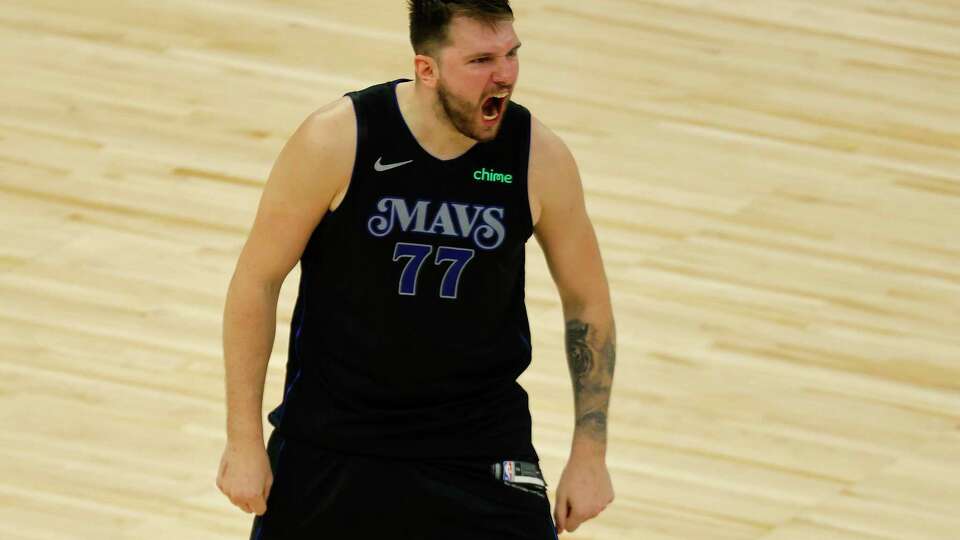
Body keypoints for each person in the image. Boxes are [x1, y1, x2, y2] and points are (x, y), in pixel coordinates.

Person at [215, 1, 616, 538]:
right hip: (333, 442)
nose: (505, 75)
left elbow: (587, 302)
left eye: (512, 54)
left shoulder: (537, 157)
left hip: (478, 447)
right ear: (426, 69)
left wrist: (589, 454)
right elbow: (256, 282)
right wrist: (242, 439)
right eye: (480, 61)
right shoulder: (338, 139)